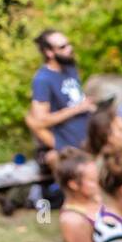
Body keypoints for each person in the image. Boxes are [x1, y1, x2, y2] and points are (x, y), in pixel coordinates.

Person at [29, 29, 93, 170]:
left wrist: (88, 106)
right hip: (68, 148)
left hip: (88, 141)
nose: (70, 49)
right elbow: (40, 121)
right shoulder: (42, 80)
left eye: (69, 44)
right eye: (63, 47)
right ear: (49, 52)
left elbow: (73, 100)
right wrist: (78, 108)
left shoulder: (70, 68)